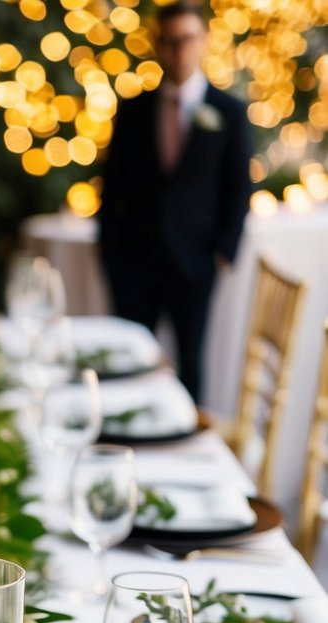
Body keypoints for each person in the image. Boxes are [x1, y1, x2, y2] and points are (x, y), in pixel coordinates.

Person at [98, 0, 253, 401]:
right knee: (129, 361)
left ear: (202, 41)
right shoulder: (132, 110)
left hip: (196, 260)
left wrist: (223, 251)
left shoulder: (230, 112)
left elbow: (238, 188)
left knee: (191, 365)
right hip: (135, 259)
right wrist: (111, 252)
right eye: (167, 41)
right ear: (157, 45)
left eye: (185, 39)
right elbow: (112, 186)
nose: (176, 50)